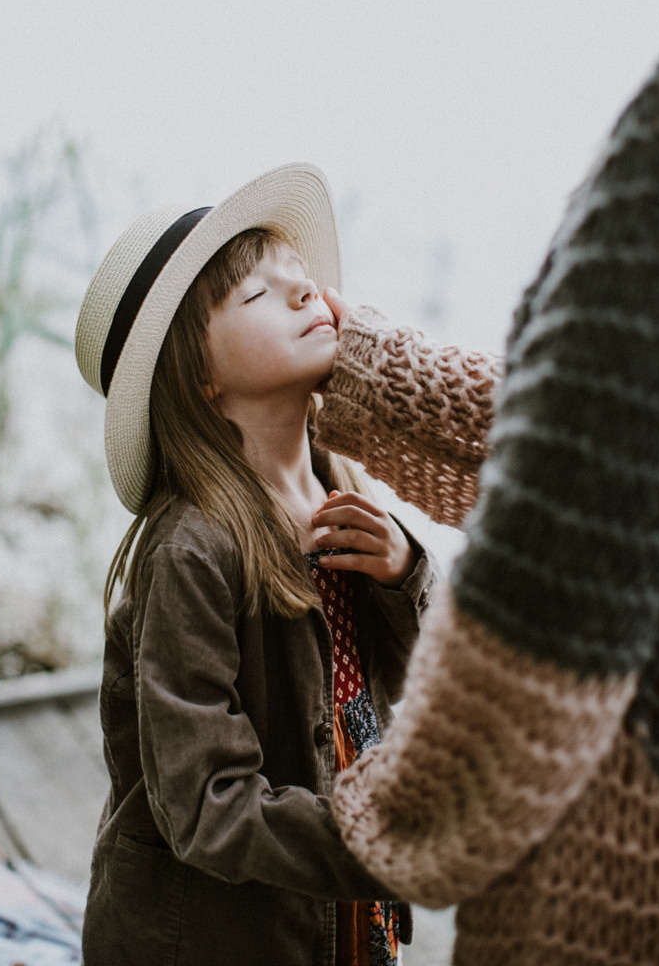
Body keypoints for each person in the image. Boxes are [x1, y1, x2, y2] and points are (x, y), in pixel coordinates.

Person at [312, 0, 659, 964]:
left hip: (626, 857)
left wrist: (373, 814)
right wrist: (360, 373)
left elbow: (550, 590)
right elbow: (604, 448)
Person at [74, 163, 436, 966]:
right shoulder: (193, 550)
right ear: (199, 376)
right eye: (260, 295)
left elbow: (412, 681)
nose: (306, 294)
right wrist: (375, 841)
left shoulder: (342, 490)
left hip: (339, 926)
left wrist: (406, 571)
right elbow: (206, 806)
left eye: (301, 279)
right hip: (211, 941)